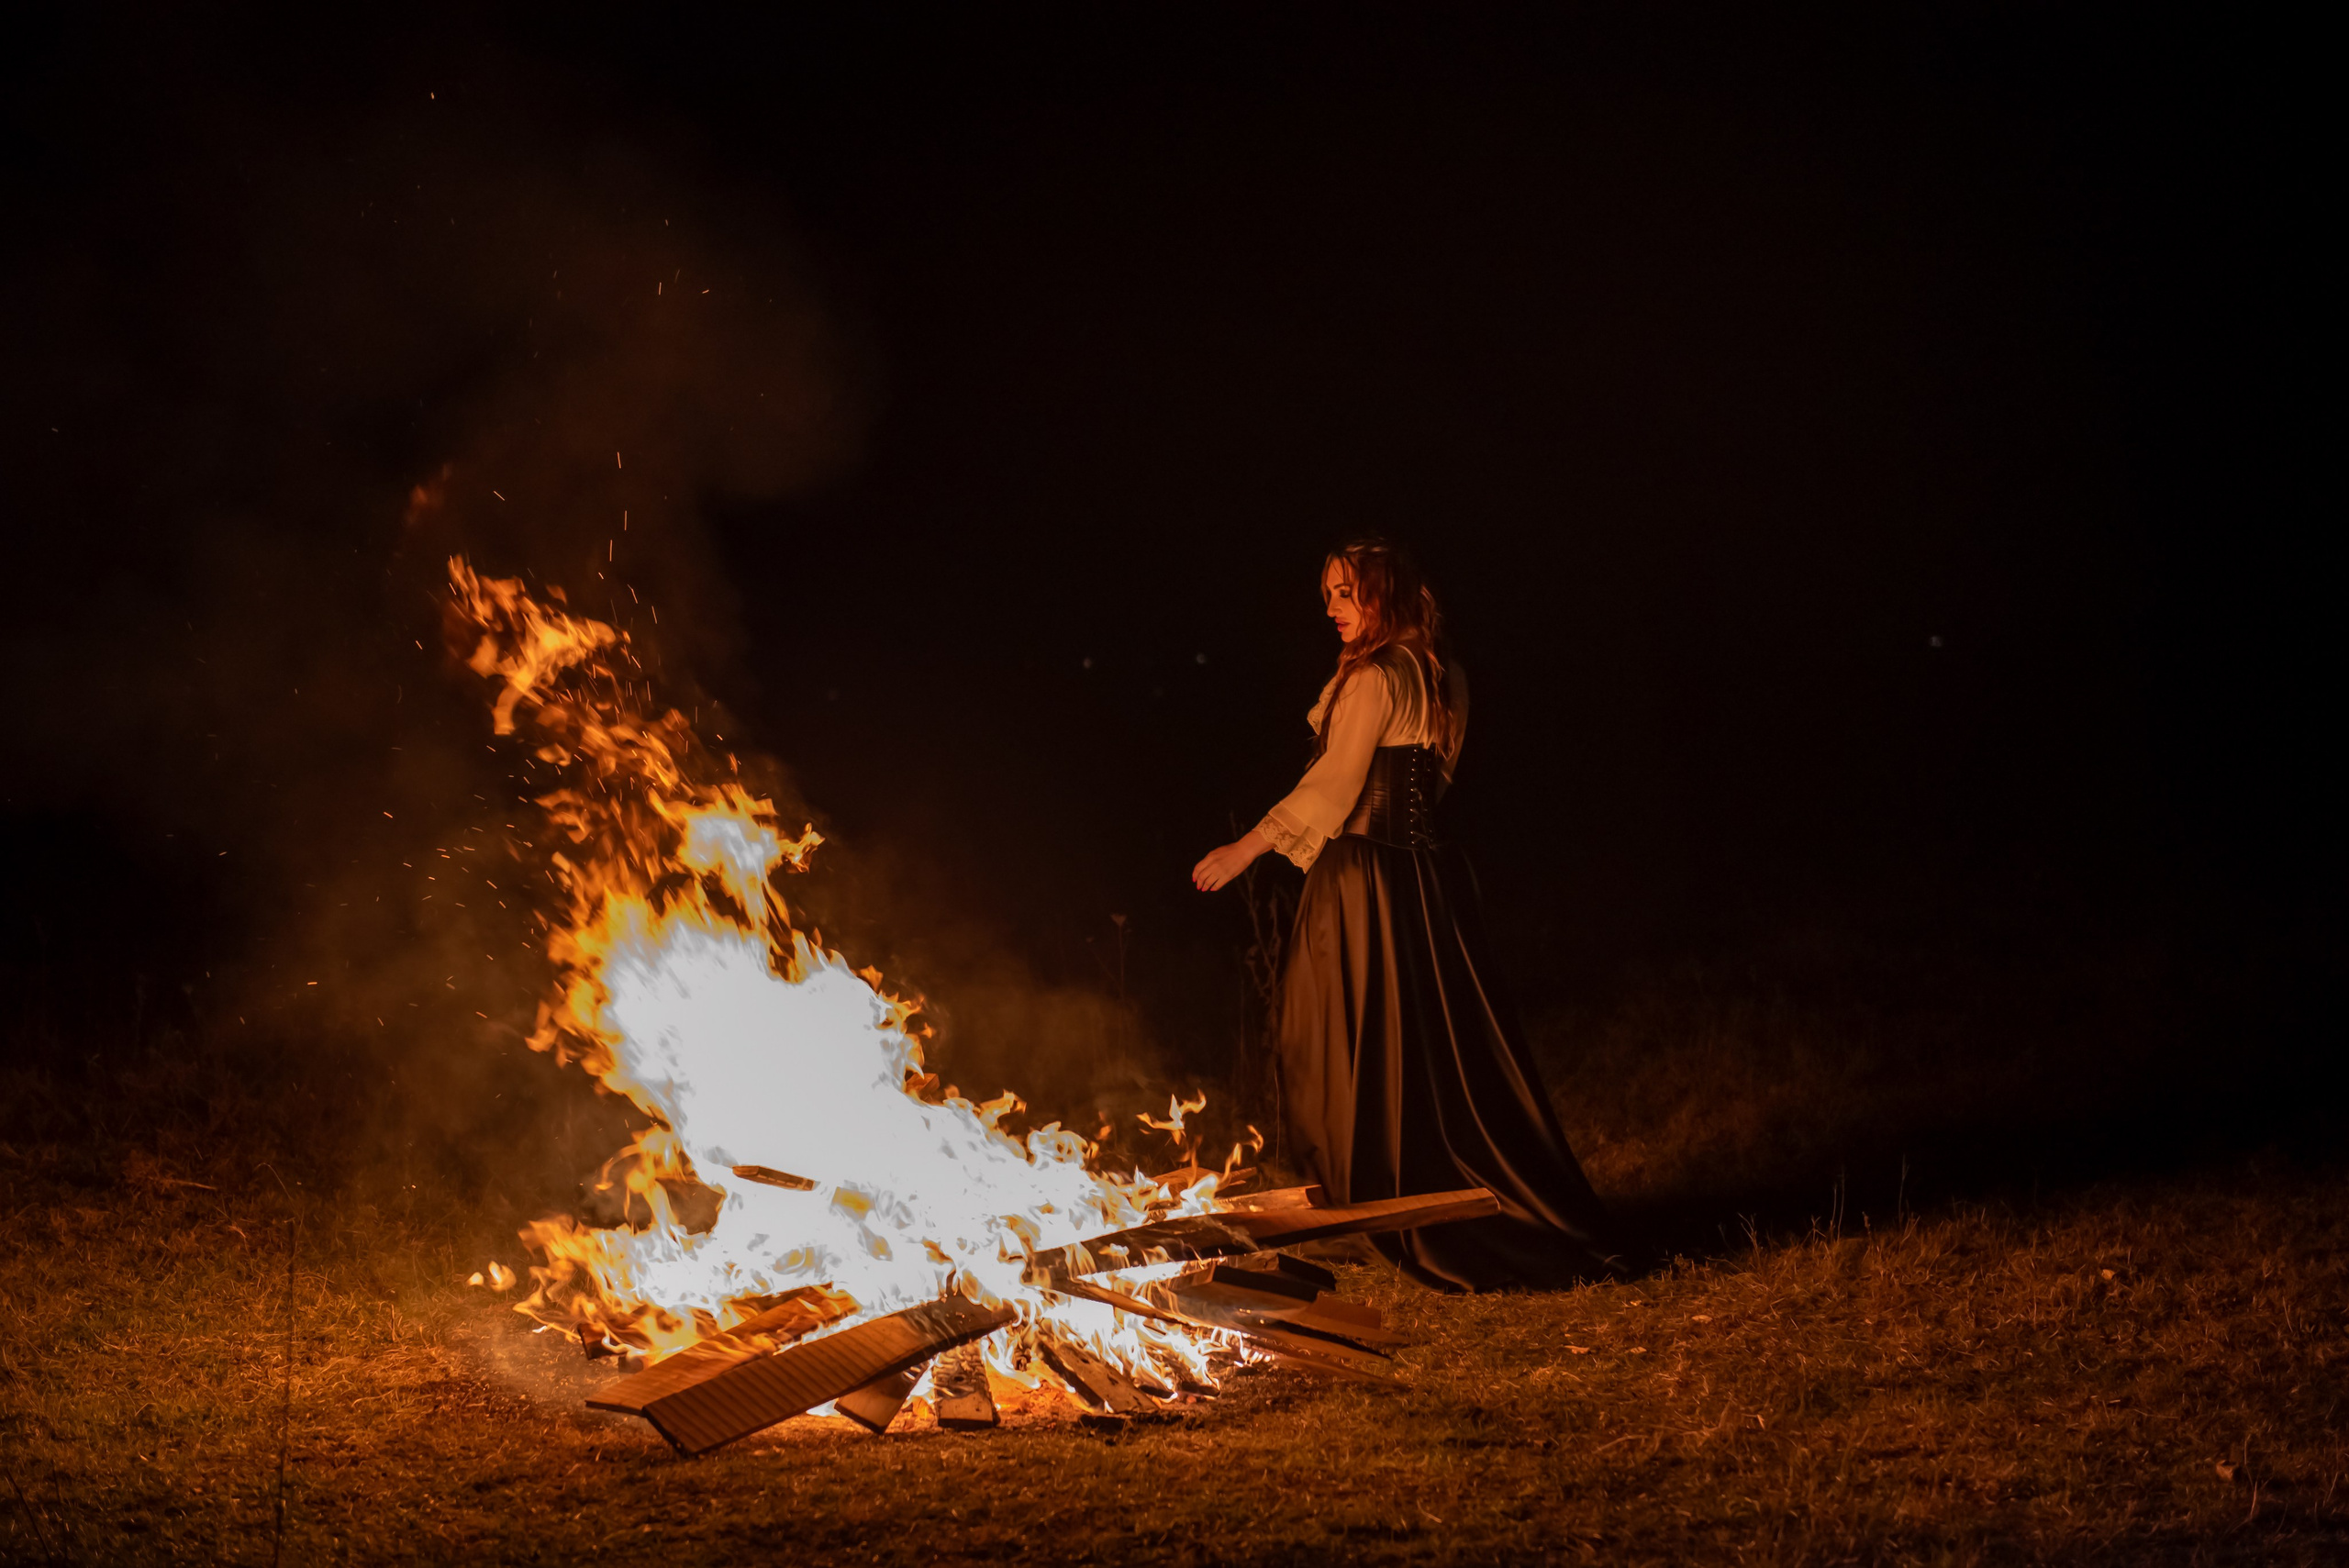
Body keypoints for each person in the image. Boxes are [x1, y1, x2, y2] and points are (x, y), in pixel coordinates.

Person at [1192, 539, 1622, 1290]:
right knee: (1423, 1047)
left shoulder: (1377, 678)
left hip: (1362, 879)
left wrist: (1246, 848)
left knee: (1334, 1037)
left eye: (1345, 593)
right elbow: (1438, 779)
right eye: (1327, 593)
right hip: (1427, 880)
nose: (1330, 608)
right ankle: (1406, 1192)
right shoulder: (1443, 674)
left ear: (1383, 594)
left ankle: (1380, 1202)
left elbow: (1334, 785)